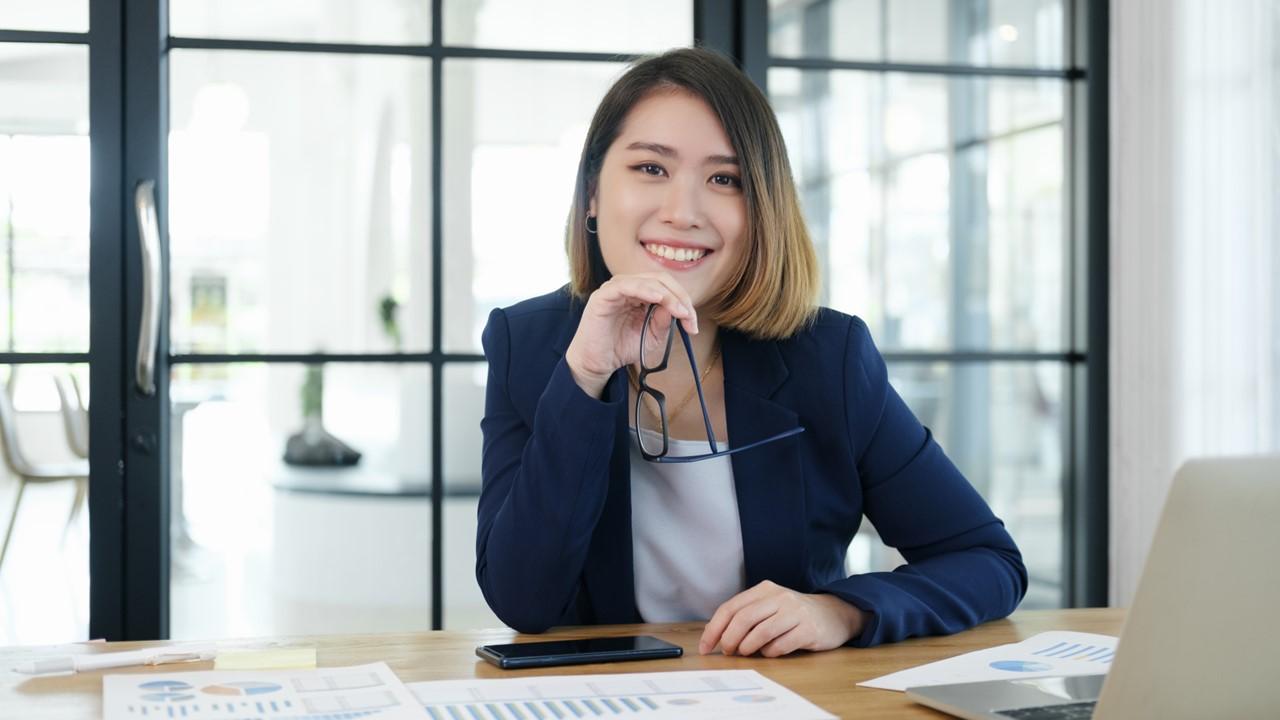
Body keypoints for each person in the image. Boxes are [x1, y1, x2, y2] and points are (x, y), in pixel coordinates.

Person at [476, 47, 1026, 657]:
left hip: (782, 693)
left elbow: (986, 559)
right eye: (651, 169)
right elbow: (521, 599)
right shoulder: (527, 344)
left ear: (759, 210)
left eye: (724, 179)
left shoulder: (828, 357)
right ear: (592, 196)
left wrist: (841, 611)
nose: (682, 213)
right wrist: (584, 375)